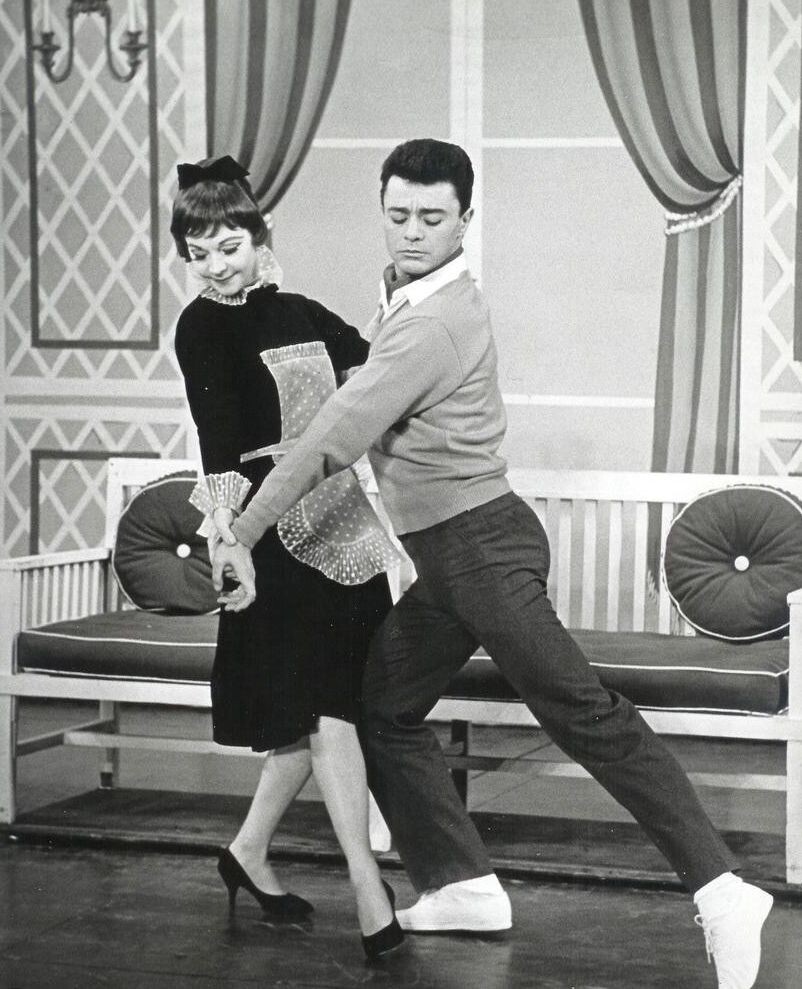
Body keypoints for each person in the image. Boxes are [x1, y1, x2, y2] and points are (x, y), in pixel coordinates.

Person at [212, 139, 772, 989]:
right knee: (382, 704)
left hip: (480, 548)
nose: (411, 231)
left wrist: (244, 530)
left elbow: (336, 434)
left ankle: (723, 890)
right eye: (398, 214)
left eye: (431, 217)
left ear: (465, 221)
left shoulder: (434, 320)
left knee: (583, 712)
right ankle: (460, 884)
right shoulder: (409, 301)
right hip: (449, 558)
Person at [170, 154, 403, 960]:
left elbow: (373, 366)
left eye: (228, 246)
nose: (214, 265)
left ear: (260, 236)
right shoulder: (201, 327)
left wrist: (400, 308)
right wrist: (230, 539)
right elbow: (218, 440)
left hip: (342, 525)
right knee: (324, 708)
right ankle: (369, 890)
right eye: (198, 253)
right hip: (270, 536)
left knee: (325, 712)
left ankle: (247, 851)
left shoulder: (300, 310)